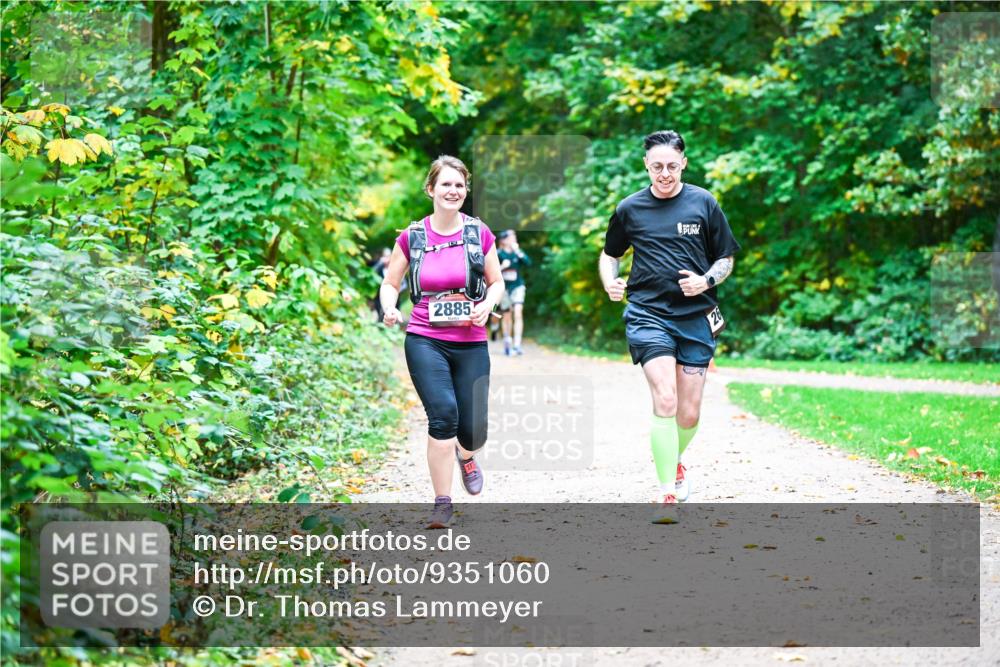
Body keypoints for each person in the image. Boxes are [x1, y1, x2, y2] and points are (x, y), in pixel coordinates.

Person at [598, 130, 740, 523]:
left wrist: (705, 281)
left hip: (696, 317)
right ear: (646, 165)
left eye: (672, 166)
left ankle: (674, 459)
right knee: (665, 399)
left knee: (689, 414)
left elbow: (725, 259)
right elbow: (610, 254)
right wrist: (610, 280)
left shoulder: (704, 203)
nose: (664, 173)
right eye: (657, 166)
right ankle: (666, 494)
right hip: (648, 313)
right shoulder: (630, 208)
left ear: (684, 163)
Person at [380, 155, 505, 528]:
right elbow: (390, 284)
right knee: (443, 416)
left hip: (470, 338)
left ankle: (466, 456)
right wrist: (390, 308)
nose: (453, 191)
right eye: (445, 184)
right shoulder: (413, 236)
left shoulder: (478, 233)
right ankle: (442, 502)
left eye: (459, 185)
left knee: (473, 427)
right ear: (431, 189)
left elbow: (496, 282)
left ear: (465, 192)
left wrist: (486, 304)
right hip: (424, 338)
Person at [497, 229, 531, 355]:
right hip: (504, 289)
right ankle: (507, 341)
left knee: (518, 313)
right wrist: (502, 267)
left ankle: (517, 344)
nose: (514, 239)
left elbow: (528, 263)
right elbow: (490, 273)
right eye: (511, 237)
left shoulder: (517, 253)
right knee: (507, 316)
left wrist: (517, 250)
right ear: (504, 240)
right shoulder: (498, 254)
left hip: (517, 286)